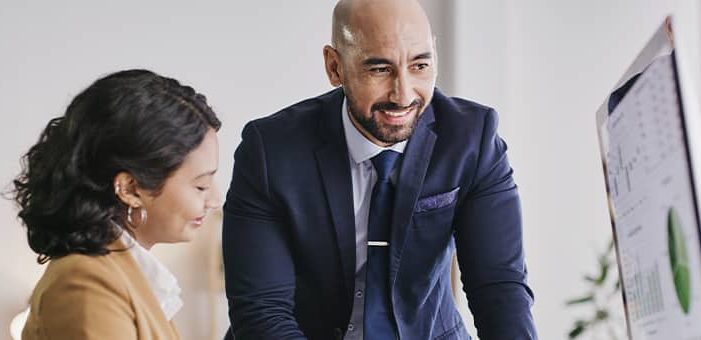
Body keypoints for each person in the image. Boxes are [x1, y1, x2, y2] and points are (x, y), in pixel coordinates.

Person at [222, 0, 537, 339]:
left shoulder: (472, 139)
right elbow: (263, 310)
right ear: (334, 67)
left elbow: (499, 288)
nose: (403, 95)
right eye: (380, 69)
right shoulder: (271, 150)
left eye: (419, 65)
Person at [10, 69, 223, 340]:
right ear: (130, 189)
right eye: (201, 186)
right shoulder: (85, 285)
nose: (215, 200)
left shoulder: (126, 276)